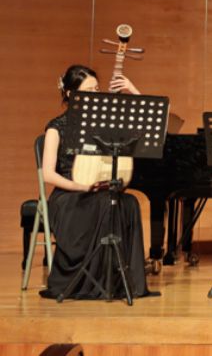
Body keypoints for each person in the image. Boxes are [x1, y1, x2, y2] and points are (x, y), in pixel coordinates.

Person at [40, 64, 153, 299]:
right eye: (88, 91)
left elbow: (148, 124)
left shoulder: (105, 125)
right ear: (70, 94)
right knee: (104, 204)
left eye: (97, 90)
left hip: (99, 191)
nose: (95, 95)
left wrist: (132, 89)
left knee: (129, 203)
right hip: (69, 196)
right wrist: (82, 187)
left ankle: (121, 282)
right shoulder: (56, 128)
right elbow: (48, 175)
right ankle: (90, 281)